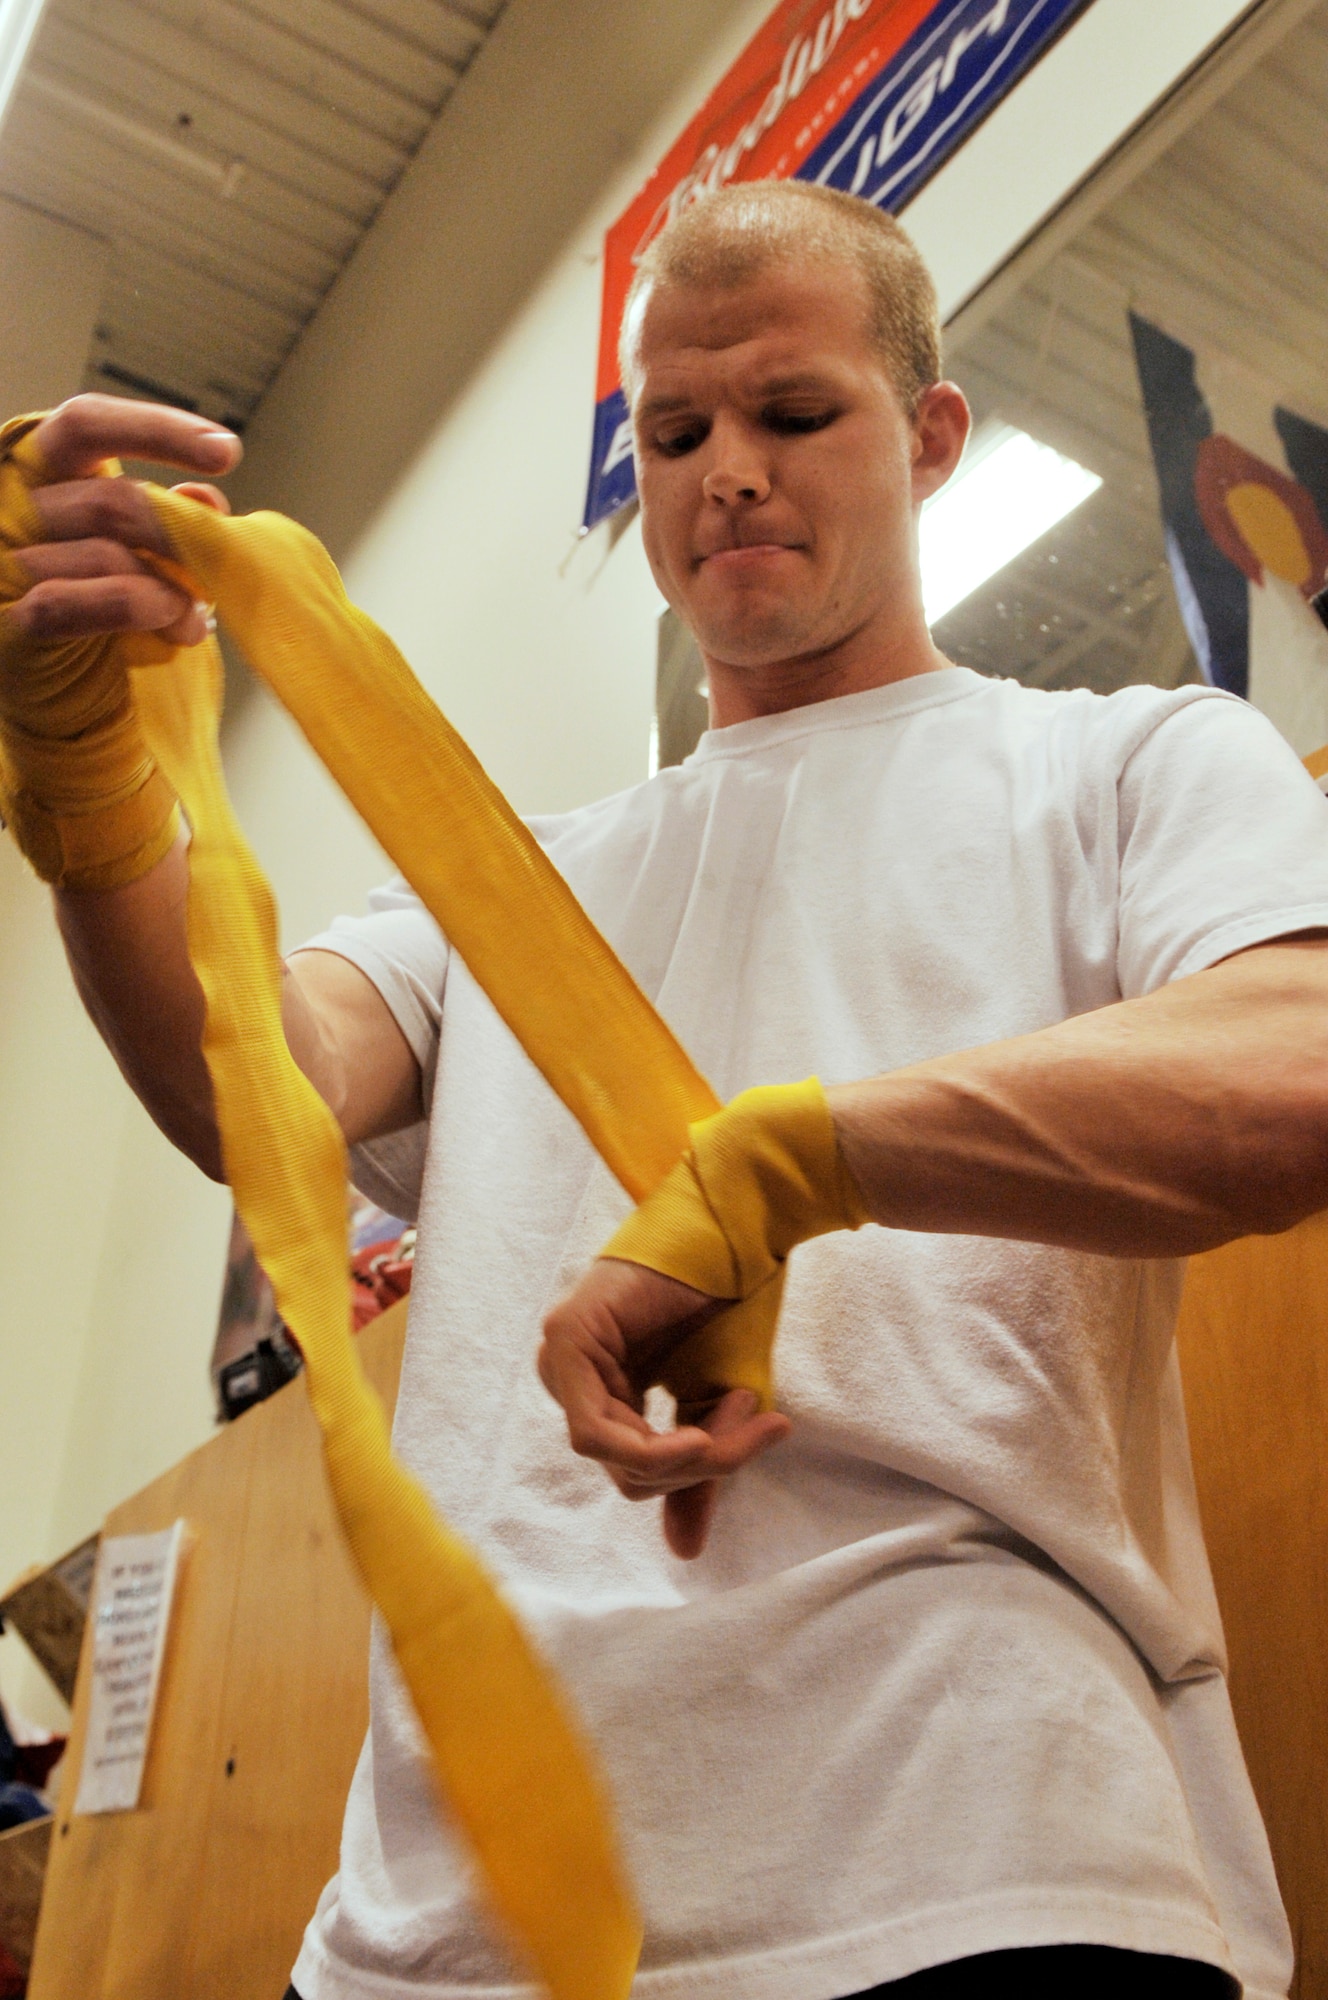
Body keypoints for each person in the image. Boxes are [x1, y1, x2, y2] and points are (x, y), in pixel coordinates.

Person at [5, 182, 1328, 2000]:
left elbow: (1297, 1067)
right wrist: (83, 790)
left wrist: (790, 1163)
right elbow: (263, 1099)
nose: (731, 475)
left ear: (932, 435)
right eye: (678, 431)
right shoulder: (502, 881)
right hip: (437, 1931)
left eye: (796, 416)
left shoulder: (1125, 761)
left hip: (977, 1855)